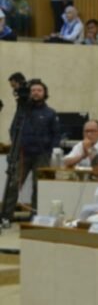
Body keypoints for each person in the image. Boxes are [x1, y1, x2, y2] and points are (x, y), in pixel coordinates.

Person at [1, 79, 60, 220]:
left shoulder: (50, 113)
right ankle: (6, 216)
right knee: (13, 184)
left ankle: (36, 216)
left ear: (44, 93)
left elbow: (56, 134)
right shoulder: (22, 111)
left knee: (39, 186)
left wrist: (53, 152)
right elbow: (13, 129)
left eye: (39, 90)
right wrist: (16, 146)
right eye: (33, 90)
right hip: (22, 154)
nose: (35, 93)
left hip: (42, 155)